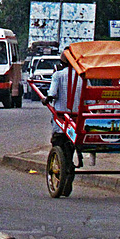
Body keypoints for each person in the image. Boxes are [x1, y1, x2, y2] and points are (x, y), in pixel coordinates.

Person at [41, 52, 79, 196]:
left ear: (62, 63)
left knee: (58, 143)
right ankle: (68, 169)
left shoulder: (58, 75)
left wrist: (45, 100)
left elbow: (52, 94)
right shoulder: (83, 77)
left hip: (62, 121)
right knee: (70, 149)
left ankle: (65, 171)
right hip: (77, 122)